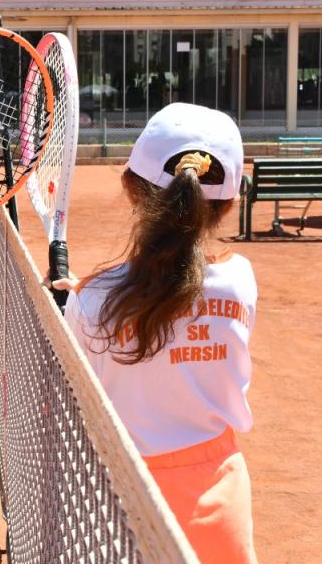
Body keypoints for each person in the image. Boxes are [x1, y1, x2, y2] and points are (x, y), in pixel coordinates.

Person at [57, 103, 258, 563]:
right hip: (216, 495)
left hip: (115, 496)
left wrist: (80, 297)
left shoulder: (91, 302)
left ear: (131, 188)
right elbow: (179, 295)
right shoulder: (242, 281)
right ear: (229, 203)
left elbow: (76, 393)